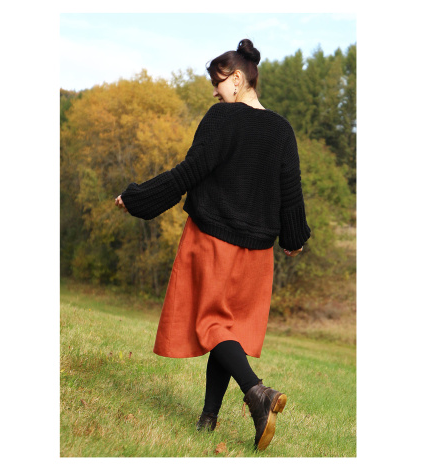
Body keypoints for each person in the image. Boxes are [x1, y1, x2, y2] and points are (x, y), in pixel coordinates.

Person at [115, 39, 311, 451]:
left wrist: (138, 198)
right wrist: (293, 238)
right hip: (257, 254)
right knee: (228, 331)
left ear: (237, 78)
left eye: (218, 85)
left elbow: (190, 171)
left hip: (213, 241)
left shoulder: (222, 118)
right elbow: (290, 191)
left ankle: (257, 392)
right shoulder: (281, 129)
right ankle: (208, 419)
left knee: (211, 325)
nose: (216, 94)